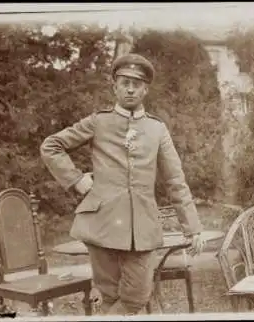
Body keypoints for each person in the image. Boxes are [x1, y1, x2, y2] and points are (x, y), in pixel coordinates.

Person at [40, 53, 205, 316]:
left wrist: (192, 227)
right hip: (101, 223)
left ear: (145, 89)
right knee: (109, 296)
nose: (130, 88)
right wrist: (76, 180)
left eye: (136, 84)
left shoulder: (156, 129)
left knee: (136, 295)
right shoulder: (98, 121)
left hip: (142, 227)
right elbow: (51, 146)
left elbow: (175, 179)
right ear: (114, 86)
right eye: (124, 82)